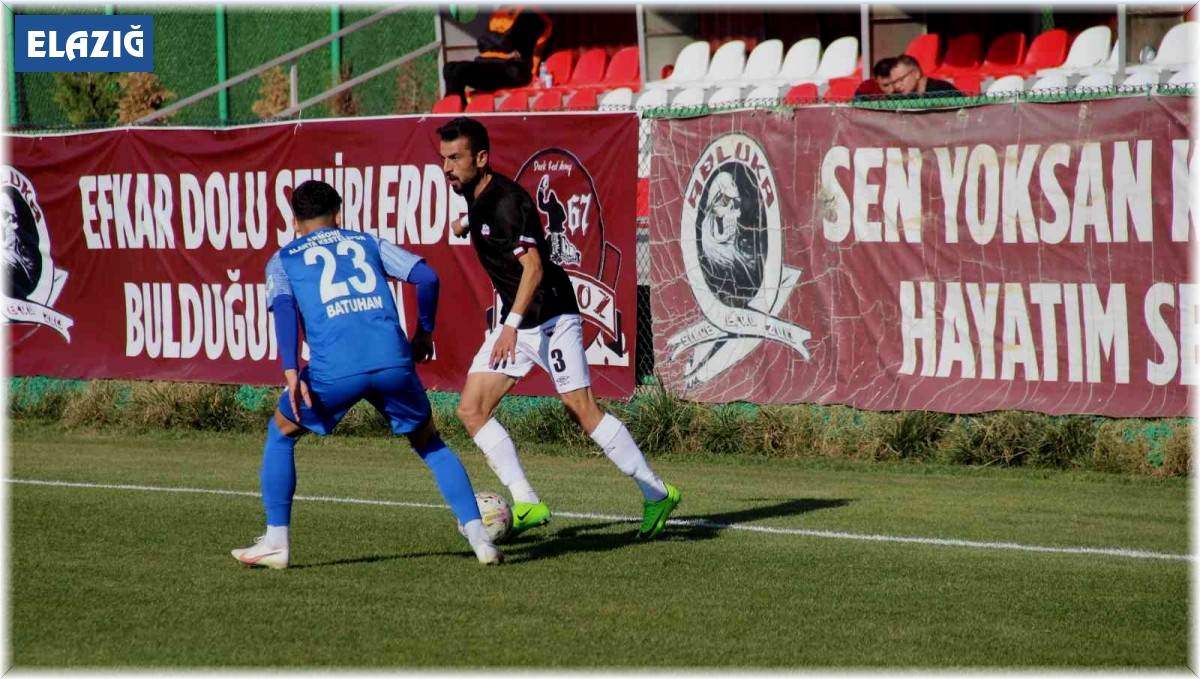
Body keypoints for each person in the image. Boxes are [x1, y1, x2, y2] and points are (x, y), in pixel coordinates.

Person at [231, 179, 502, 569]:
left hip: (334, 370)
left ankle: (276, 541)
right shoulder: (367, 242)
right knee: (430, 443)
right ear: (338, 215)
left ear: (294, 222)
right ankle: (480, 539)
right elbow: (427, 277)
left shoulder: (283, 258)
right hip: (393, 360)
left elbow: (286, 310)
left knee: (282, 432)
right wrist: (424, 330)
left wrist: (291, 369)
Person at [435, 116, 682, 540]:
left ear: (481, 157)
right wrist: (465, 223)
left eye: (455, 158)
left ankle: (656, 492)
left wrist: (510, 326)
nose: (447, 168)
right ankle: (527, 500)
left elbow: (532, 268)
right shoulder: (476, 196)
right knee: (471, 409)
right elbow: (485, 221)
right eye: (443, 159)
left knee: (579, 407)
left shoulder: (508, 202)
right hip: (521, 320)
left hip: (550, 316)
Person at [442, 6, 552, 106]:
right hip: (491, 63)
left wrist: (489, 39)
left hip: (513, 69)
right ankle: (453, 110)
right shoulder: (503, 11)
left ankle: (453, 114)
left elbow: (508, 43)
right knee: (449, 68)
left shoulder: (532, 15)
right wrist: (494, 40)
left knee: (460, 71)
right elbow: (481, 43)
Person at [884, 55, 963, 98]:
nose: (897, 86)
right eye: (894, 82)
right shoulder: (906, 96)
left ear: (916, 73)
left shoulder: (941, 90)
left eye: (901, 79)